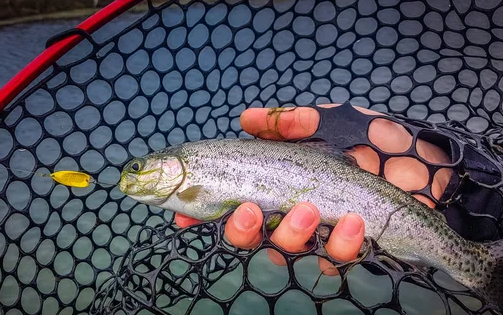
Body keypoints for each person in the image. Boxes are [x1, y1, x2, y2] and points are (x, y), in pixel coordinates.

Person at [174, 103, 453, 274]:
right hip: (442, 204)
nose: (130, 174)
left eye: (138, 168)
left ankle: (464, 261)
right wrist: (448, 183)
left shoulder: (192, 165)